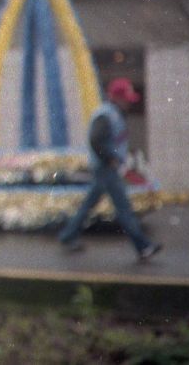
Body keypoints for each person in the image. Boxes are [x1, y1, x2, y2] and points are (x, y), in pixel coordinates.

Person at [59, 78, 162, 261]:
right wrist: (111, 158)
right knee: (124, 208)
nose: (129, 103)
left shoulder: (113, 114)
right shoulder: (106, 115)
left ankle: (68, 234)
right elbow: (96, 140)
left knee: (89, 204)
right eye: (126, 99)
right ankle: (143, 246)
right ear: (117, 98)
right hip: (106, 168)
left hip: (106, 168)